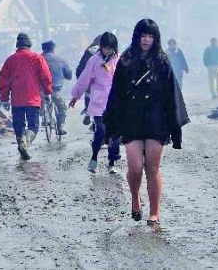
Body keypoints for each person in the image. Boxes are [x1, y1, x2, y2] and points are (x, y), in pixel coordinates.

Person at [104, 19, 189, 225]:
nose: (146, 40)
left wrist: (175, 127)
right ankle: (135, 198)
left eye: (150, 36)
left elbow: (171, 95)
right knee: (135, 167)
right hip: (131, 120)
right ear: (137, 37)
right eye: (143, 35)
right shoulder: (125, 61)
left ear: (155, 38)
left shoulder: (162, 61)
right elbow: (116, 95)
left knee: (152, 168)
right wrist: (111, 126)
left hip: (156, 120)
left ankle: (154, 212)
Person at [69, 32, 121, 174]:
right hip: (99, 102)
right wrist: (75, 96)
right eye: (105, 48)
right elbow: (84, 79)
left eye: (110, 48)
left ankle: (112, 162)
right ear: (101, 47)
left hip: (116, 104)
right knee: (101, 132)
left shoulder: (119, 60)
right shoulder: (94, 60)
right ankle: (94, 157)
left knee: (115, 136)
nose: (108, 51)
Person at [0, 33, 53, 160]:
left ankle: (21, 144)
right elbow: (46, 77)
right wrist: (48, 92)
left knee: (19, 125)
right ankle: (24, 144)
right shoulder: (37, 58)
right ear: (29, 44)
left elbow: (4, 81)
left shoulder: (10, 60)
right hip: (32, 99)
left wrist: (5, 99)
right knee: (33, 126)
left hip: (16, 100)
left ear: (17, 45)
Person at [41, 40, 73, 136]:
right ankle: (60, 127)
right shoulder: (61, 60)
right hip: (55, 91)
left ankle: (45, 117)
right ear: (53, 48)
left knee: (40, 105)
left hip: (41, 91)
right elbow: (69, 76)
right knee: (62, 108)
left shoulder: (37, 59)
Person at [76, 35, 101, 126]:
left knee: (88, 95)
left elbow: (81, 67)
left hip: (90, 80)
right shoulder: (111, 52)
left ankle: (88, 112)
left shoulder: (89, 51)